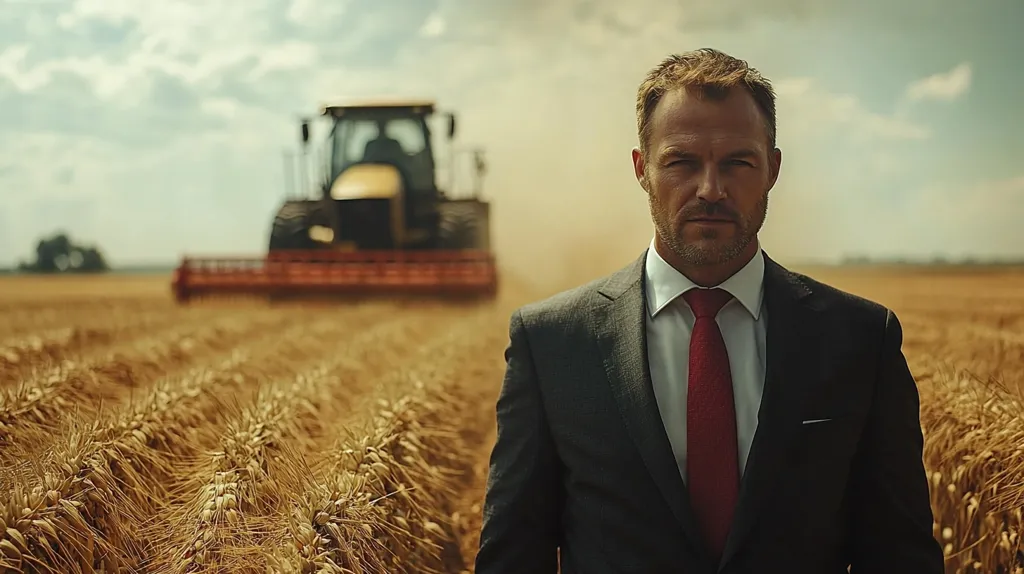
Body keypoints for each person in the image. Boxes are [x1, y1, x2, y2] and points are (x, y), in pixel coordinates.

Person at [474, 48, 944, 574]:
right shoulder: (552, 342)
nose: (710, 190)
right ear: (641, 169)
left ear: (773, 169)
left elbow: (900, 553)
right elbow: (514, 555)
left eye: (737, 163)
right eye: (682, 162)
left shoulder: (861, 339)